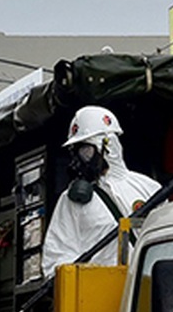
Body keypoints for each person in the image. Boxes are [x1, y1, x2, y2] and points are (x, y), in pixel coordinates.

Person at [40, 105, 160, 273]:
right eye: (76, 152)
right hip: (101, 293)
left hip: (147, 290)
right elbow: (57, 257)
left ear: (108, 145)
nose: (80, 160)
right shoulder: (71, 201)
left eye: (86, 150)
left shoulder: (149, 189)